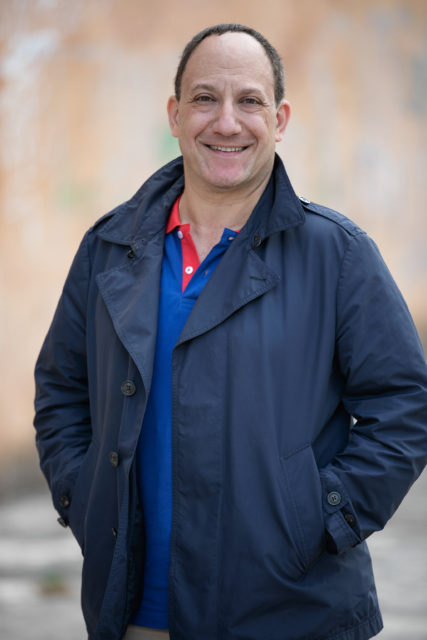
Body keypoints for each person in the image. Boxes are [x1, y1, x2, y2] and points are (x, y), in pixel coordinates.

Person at [34, 23, 427, 640]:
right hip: (132, 615)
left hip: (291, 613)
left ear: (279, 119)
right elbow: (62, 388)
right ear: (174, 113)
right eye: (204, 98)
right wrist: (82, 496)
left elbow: (404, 405)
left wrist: (323, 515)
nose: (226, 122)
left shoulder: (337, 254)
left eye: (249, 101)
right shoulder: (109, 248)